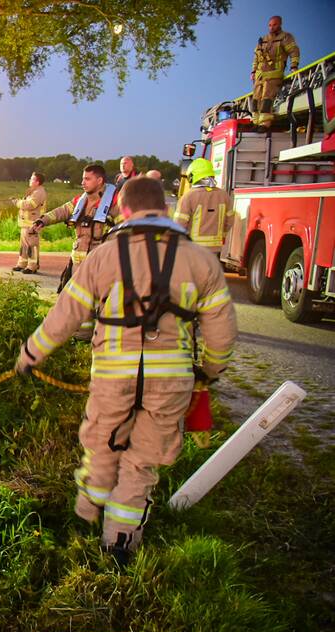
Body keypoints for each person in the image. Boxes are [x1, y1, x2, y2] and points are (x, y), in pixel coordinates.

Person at [15, 177, 237, 565]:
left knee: (101, 446)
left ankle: (85, 518)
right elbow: (222, 331)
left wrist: (31, 354)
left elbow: (66, 315)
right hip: (171, 381)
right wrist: (209, 372)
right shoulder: (200, 259)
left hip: (113, 376)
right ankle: (120, 543)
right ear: (165, 211)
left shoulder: (103, 256)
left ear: (124, 211)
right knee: (141, 462)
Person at [31, 164, 120, 292]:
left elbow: (125, 231)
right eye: (83, 178)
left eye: (87, 179)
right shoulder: (79, 201)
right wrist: (42, 220)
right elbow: (61, 211)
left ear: (99, 181)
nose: (82, 182)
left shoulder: (114, 204)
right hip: (76, 265)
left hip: (99, 266)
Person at [173, 158, 234, 255]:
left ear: (192, 176)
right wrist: (222, 235)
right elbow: (230, 221)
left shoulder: (188, 197)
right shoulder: (224, 195)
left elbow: (179, 225)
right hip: (215, 249)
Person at [251, 16, 299, 130]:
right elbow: (256, 58)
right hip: (260, 75)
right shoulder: (262, 40)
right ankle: (255, 122)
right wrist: (253, 71)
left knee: (267, 99)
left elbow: (294, 51)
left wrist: (294, 66)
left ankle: (264, 123)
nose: (272, 27)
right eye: (270, 25)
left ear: (280, 24)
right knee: (255, 99)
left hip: (274, 74)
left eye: (275, 25)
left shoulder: (286, 37)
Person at [13, 172, 48, 274]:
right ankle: (22, 264)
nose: (30, 180)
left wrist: (17, 202)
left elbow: (29, 205)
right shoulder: (34, 191)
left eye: (32, 179)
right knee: (24, 246)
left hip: (33, 224)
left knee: (32, 246)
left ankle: (32, 266)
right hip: (26, 224)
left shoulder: (39, 192)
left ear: (37, 182)